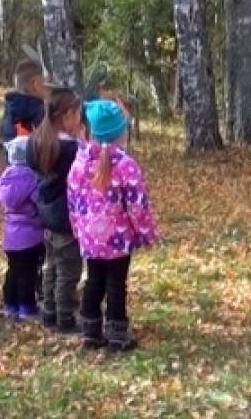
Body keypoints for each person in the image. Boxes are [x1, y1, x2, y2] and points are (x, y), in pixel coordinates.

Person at [68, 99, 158, 351]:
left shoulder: (79, 163)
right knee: (116, 283)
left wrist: (78, 229)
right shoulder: (126, 166)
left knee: (94, 280)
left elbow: (72, 200)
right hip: (118, 239)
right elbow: (137, 205)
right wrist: (146, 233)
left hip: (90, 239)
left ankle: (90, 330)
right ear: (120, 133)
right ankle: (117, 333)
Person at [25, 87, 84, 333]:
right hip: (66, 217)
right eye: (79, 114)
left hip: (46, 212)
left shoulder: (36, 141)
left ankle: (48, 310)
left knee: (52, 265)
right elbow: (83, 173)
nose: (81, 120)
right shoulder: (70, 150)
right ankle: (65, 316)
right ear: (68, 115)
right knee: (68, 270)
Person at [0, 136, 44, 321]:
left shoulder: (6, 179)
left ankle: (10, 305)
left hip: (10, 236)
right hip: (31, 236)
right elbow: (39, 202)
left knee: (13, 271)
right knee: (28, 274)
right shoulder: (32, 179)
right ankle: (27, 307)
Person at [0, 59, 46, 143]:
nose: (45, 87)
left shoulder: (9, 111)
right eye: (43, 82)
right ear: (35, 84)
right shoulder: (38, 112)